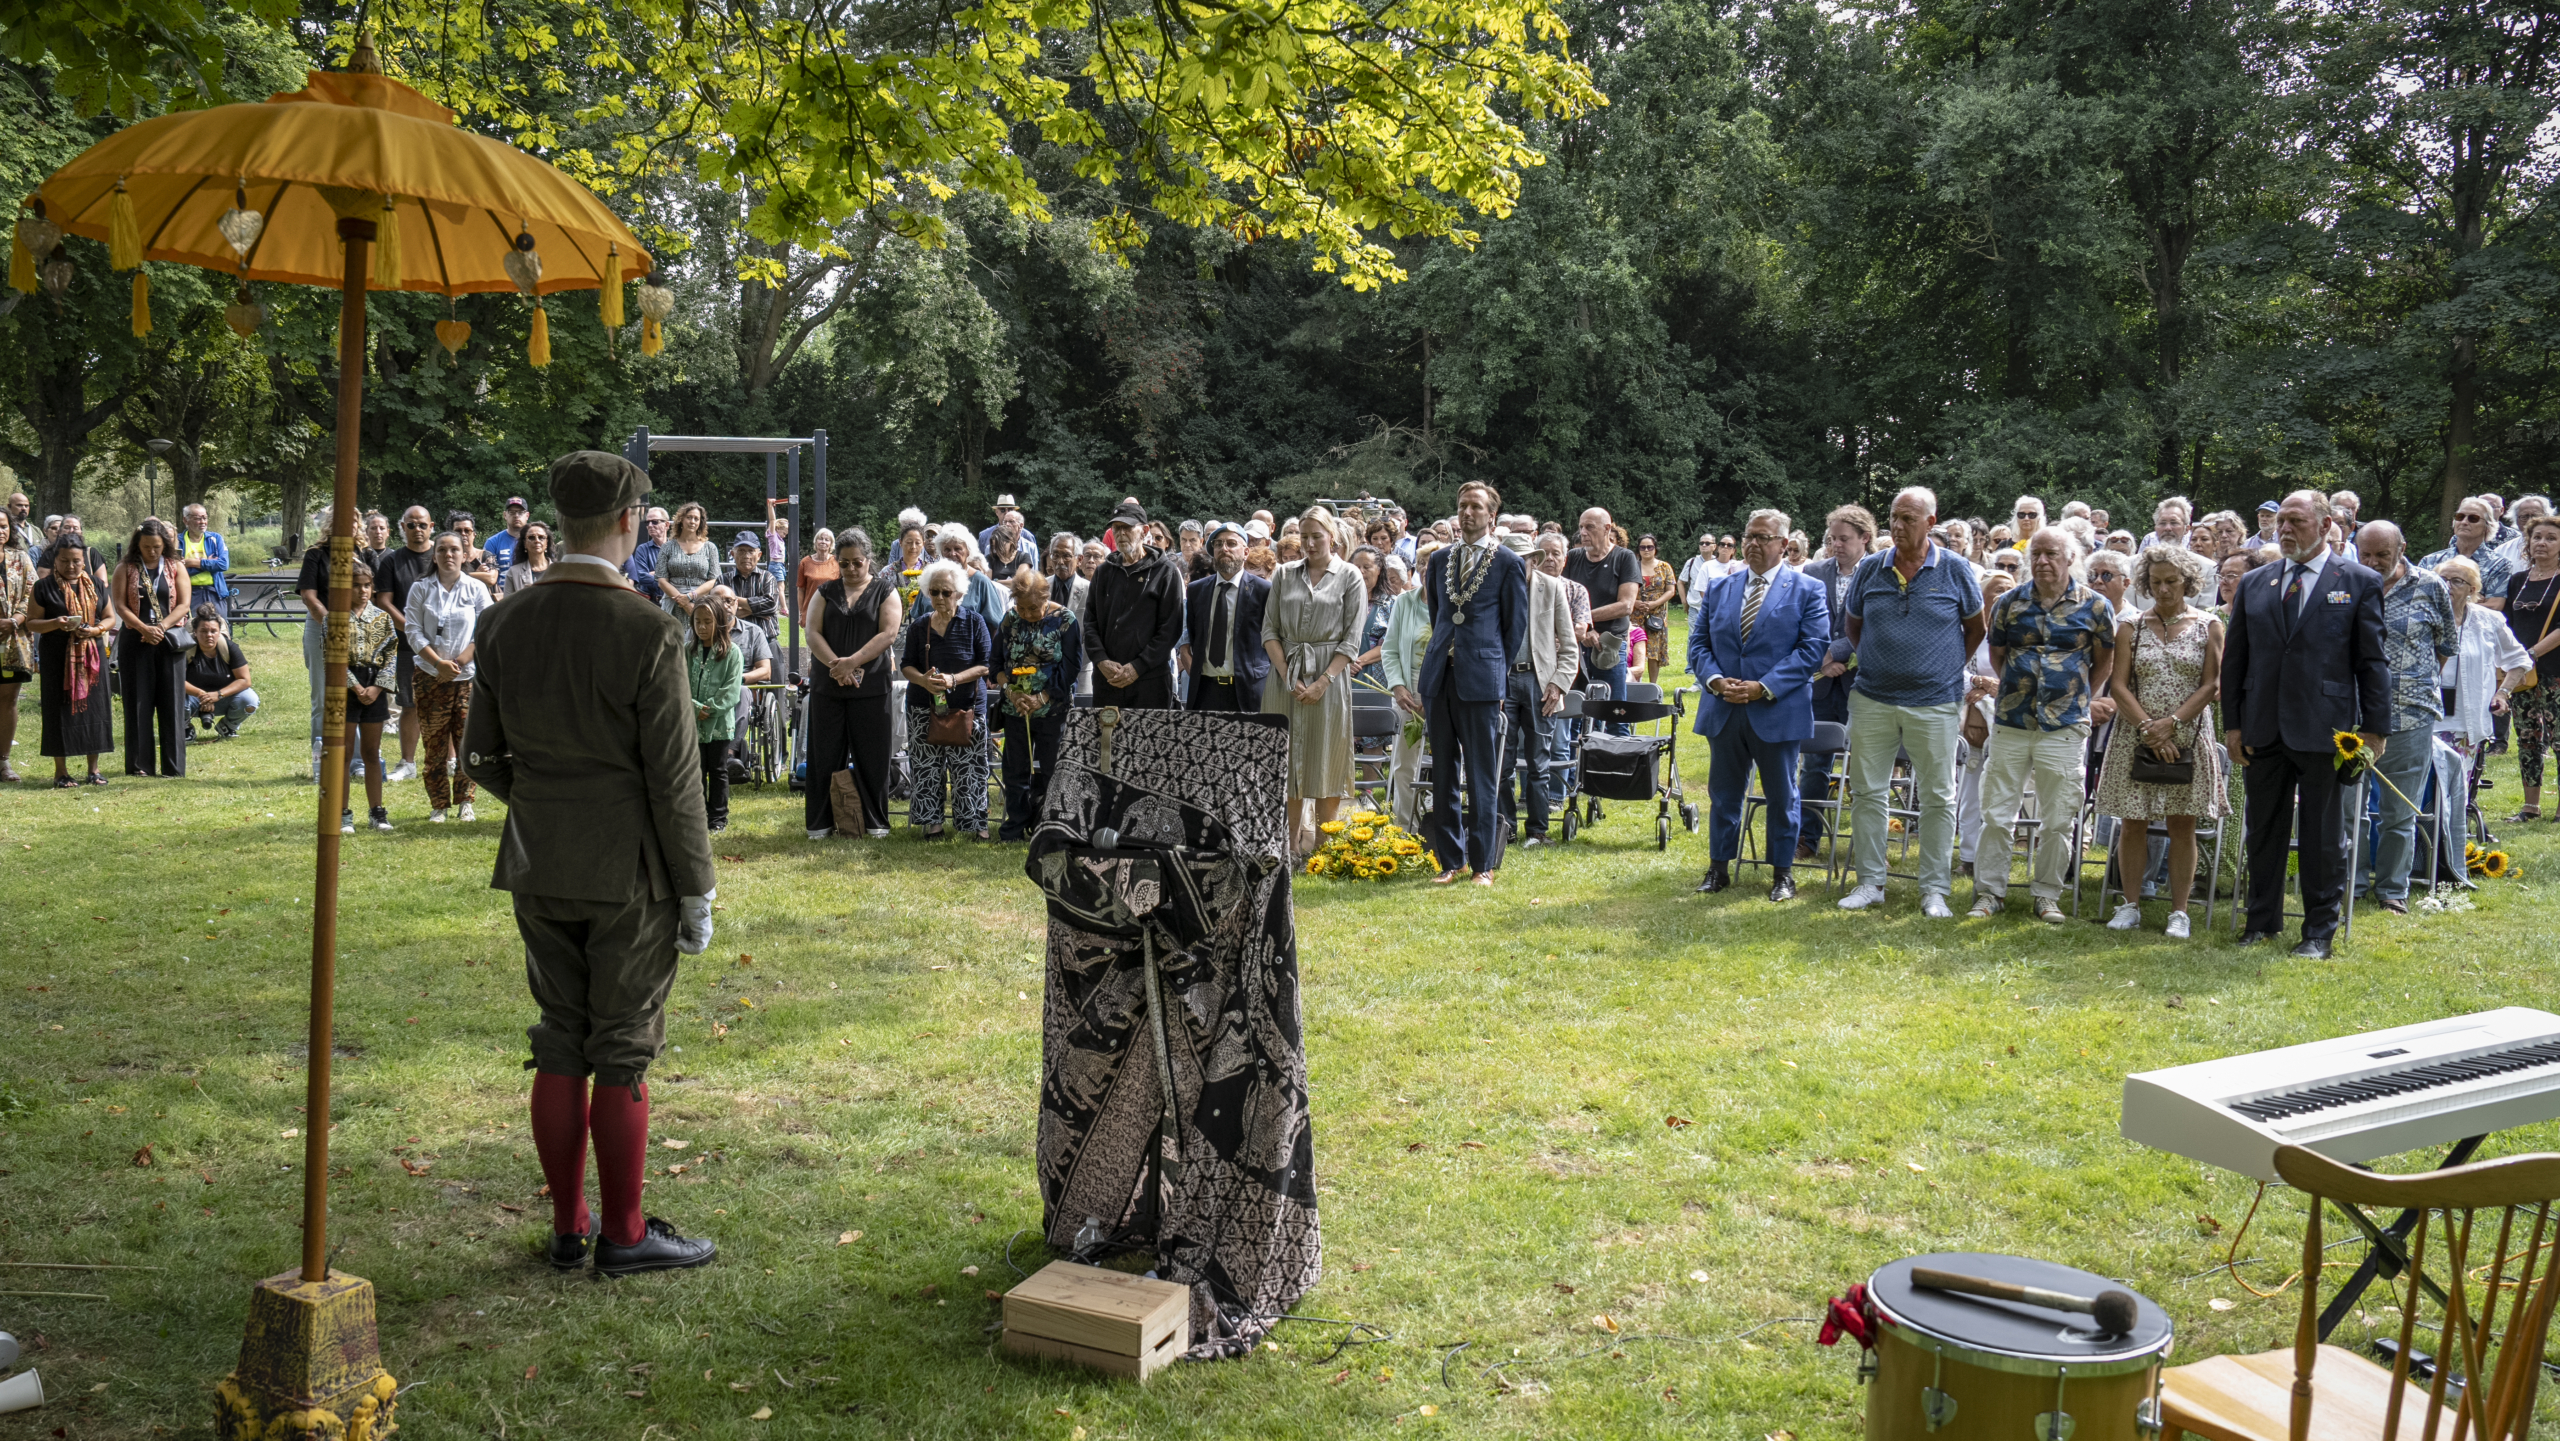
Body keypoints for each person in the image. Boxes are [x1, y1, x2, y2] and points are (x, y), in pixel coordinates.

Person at [463, 449, 720, 1277]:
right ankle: (626, 1231)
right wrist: (697, 887)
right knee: (622, 1044)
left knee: (560, 1037)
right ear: (624, 523)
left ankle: (570, 1224)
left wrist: (543, 802)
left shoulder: (502, 621)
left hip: (538, 860)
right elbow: (676, 779)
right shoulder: (647, 628)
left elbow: (481, 759)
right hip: (630, 871)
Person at [2222, 489, 2389, 958]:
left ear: (2326, 525)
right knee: (2263, 829)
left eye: (2296, 520)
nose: (2285, 529)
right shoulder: (2257, 583)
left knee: (2322, 836)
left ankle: (2318, 932)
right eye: (2282, 522)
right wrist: (2233, 724)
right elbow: (2236, 660)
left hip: (2325, 727)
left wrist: (2375, 729)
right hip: (2263, 725)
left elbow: (2372, 661)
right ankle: (2261, 921)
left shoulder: (2357, 581)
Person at [1838, 487, 1986, 917]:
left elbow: (1975, 629)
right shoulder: (1870, 569)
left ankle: (1935, 890)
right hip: (1873, 698)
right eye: (1893, 518)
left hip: (1936, 701)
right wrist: (1879, 661)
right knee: (1867, 792)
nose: (1898, 526)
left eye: (1908, 518)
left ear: (1931, 523)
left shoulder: (1956, 570)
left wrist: (1942, 666)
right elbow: (1854, 624)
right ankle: (1870, 883)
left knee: (1939, 796)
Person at [1967, 529, 2116, 923]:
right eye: (2037, 554)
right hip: (2012, 722)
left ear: (2071, 559)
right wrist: (2023, 688)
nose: (2043, 561)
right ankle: (1989, 892)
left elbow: (2103, 662)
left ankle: (2048, 893)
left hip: (2065, 726)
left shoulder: (2096, 607)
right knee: (1997, 813)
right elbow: (1998, 655)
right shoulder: (2008, 603)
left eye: (2052, 554)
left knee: (2059, 818)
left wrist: (2074, 694)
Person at [1692, 509, 1831, 902]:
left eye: (1763, 538)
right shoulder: (1721, 587)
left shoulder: (1807, 590)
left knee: (1782, 796)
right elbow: (1699, 644)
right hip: (1724, 708)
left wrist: (1763, 687)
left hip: (1776, 709)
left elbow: (1811, 651)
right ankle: (1718, 869)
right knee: (1723, 793)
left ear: (1784, 545)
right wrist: (1716, 681)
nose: (1753, 543)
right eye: (1749, 536)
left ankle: (1783, 874)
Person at [2092, 544, 2227, 936]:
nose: (2164, 589)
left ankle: (2179, 912)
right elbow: (2118, 685)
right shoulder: (2130, 627)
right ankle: (2129, 904)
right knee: (2132, 823)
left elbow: (2212, 684)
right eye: (2155, 582)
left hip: (2188, 735)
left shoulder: (2209, 624)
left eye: (2171, 581)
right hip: (2137, 734)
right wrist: (2149, 729)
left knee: (2181, 825)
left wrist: (2172, 724)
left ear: (2187, 581)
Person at [1419, 482, 1530, 885]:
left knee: (1482, 772)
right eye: (1462, 506)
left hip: (1481, 678)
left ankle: (1483, 863)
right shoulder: (1439, 559)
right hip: (1440, 675)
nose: (1467, 513)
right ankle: (1452, 861)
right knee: (1444, 771)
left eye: (1476, 507)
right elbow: (1438, 616)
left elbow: (1513, 629)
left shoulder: (1508, 563)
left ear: (1491, 516)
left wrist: (1492, 670)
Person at [2356, 522, 2457, 913]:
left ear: (2402, 549)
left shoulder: (2430, 585)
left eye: (2382, 554)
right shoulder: (2346, 582)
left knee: (2400, 809)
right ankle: (2352, 880)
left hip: (2411, 714)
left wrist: (2411, 681)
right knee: (2352, 807)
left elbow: (2446, 646)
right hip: (2353, 715)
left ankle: (2392, 889)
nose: (2373, 561)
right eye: (2366, 553)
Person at [1261, 504, 1370, 857]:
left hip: (1330, 678)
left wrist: (1323, 681)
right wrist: (1285, 674)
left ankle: (1324, 847)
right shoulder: (1283, 574)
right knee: (1287, 759)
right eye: (1304, 537)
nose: (1309, 544)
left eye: (1316, 536)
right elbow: (1270, 630)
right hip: (1285, 677)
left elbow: (1352, 639)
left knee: (1328, 756)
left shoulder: (1350, 576)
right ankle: (1289, 845)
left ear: (1332, 538)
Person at [803, 529, 901, 840]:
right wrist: (837, 665)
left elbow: (888, 634)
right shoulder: (824, 592)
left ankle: (875, 823)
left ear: (869, 560)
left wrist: (852, 662)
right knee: (824, 755)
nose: (850, 569)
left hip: (871, 686)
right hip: (828, 686)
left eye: (857, 563)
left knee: (872, 756)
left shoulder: (886, 591)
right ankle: (820, 824)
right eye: (843, 564)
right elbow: (812, 633)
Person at [2434, 556, 2531, 855]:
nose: (2448, 586)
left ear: (2473, 589)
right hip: (2427, 719)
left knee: (2453, 793)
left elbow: (2519, 661)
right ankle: (2421, 854)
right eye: (2442, 580)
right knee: (2424, 791)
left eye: (2456, 581)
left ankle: (2449, 857)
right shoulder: (2425, 616)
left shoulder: (2488, 621)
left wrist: (2502, 693)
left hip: (2467, 721)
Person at [1795, 504, 1874, 863]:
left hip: (1865, 684)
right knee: (1814, 764)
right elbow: (1800, 624)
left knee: (1868, 768)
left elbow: (1874, 625)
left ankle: (1867, 846)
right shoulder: (1812, 572)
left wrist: (1836, 652)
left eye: (1844, 539)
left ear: (1865, 539)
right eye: (1832, 538)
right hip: (1821, 685)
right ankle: (1807, 838)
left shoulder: (1878, 574)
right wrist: (1822, 660)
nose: (1836, 545)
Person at [903, 559, 996, 840]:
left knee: (970, 768)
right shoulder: (919, 626)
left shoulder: (974, 622)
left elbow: (986, 664)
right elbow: (906, 665)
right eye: (934, 592)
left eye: (946, 592)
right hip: (923, 706)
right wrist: (923, 681)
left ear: (959, 593)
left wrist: (953, 680)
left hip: (967, 706)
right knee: (927, 767)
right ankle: (933, 825)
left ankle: (974, 824)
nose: (940, 598)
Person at [406, 532, 495, 823]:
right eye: (442, 549)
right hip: (430, 676)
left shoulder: (475, 589)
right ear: (434, 555)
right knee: (434, 744)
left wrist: (458, 662)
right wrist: (438, 663)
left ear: (463, 554)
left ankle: (465, 801)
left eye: (454, 549)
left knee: (467, 741)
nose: (448, 555)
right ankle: (439, 804)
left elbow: (485, 628)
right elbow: (413, 630)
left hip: (467, 678)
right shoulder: (421, 589)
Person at [993, 561, 1083, 840]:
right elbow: (995, 663)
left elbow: (1070, 668)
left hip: (1053, 708)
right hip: (1015, 708)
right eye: (1022, 608)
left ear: (1046, 598)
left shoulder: (1065, 620)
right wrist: (1012, 693)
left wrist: (1041, 697)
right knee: (1015, 769)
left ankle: (1052, 826)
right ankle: (1015, 826)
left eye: (1033, 608)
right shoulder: (1010, 619)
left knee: (1053, 769)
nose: (1028, 614)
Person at [26, 539, 118, 785]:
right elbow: (32, 622)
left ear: (84, 561)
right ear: (55, 560)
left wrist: (97, 629)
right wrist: (56, 623)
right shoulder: (43, 587)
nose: (71, 566)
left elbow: (110, 617)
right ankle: (61, 772)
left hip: (92, 658)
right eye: (64, 561)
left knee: (95, 710)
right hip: (57, 657)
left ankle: (94, 770)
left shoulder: (96, 584)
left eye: (76, 561)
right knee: (59, 711)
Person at [1083, 501, 1185, 709]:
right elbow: (1090, 622)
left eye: (1127, 528)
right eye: (1116, 528)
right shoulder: (1103, 572)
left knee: (1148, 741)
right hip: (1107, 680)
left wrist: (1138, 666)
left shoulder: (1166, 572)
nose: (1120, 533)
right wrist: (1101, 660)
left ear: (1144, 531)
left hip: (1150, 681)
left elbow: (1170, 629)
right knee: (1107, 741)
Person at [110, 518, 192, 777]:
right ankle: (139, 765)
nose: (152, 551)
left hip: (169, 640)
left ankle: (173, 766)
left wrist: (161, 628)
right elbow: (120, 605)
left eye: (157, 546)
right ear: (138, 544)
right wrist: (144, 628)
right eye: (147, 547)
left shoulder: (175, 566)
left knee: (172, 702)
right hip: (136, 639)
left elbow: (183, 604)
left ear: (164, 544)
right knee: (138, 702)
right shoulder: (125, 567)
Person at [2499, 514, 2560, 823]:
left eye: (2550, 537)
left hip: (2554, 671)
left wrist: (2530, 654)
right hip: (2521, 673)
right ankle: (2530, 806)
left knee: (2559, 738)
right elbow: (2506, 623)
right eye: (2537, 537)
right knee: (2526, 736)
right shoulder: (2517, 581)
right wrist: (2513, 660)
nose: (2542, 543)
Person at [374, 505, 440, 780]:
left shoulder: (443, 555)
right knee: (409, 703)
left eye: (422, 524)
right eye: (411, 525)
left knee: (445, 703)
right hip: (406, 645)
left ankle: (449, 760)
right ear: (402, 527)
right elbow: (384, 602)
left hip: (443, 644)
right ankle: (408, 763)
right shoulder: (392, 561)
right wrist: (413, 631)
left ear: (431, 525)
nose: (417, 530)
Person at [1182, 521, 1271, 712]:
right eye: (1218, 544)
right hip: (1205, 691)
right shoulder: (1197, 590)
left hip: (1249, 691)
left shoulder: (1264, 591)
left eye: (1231, 543)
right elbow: (1195, 636)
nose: (1224, 548)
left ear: (1246, 552)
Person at [1565, 507, 1640, 722]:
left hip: (1609, 645)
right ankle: (1576, 756)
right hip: (1577, 643)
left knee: (1614, 713)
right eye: (1581, 527)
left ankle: (1618, 754)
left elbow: (1625, 605)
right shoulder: (1573, 557)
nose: (1583, 533)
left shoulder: (1624, 558)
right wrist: (1584, 628)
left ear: (1608, 528)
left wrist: (1585, 620)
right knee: (1574, 714)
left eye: (1589, 527)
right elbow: (1562, 600)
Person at [341, 557, 399, 834]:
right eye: (356, 586)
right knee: (344, 753)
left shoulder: (383, 618)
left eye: (367, 586)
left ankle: (377, 811)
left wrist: (376, 687)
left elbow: (391, 655)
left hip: (375, 683)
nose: (362, 591)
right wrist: (354, 686)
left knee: (371, 753)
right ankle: (342, 813)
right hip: (346, 687)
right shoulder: (335, 618)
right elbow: (333, 658)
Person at [684, 595, 745, 833]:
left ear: (719, 621)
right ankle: (697, 816)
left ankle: (718, 818)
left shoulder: (732, 653)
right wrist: (693, 707)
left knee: (718, 771)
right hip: (691, 724)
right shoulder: (687, 651)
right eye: (697, 621)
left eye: (707, 621)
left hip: (719, 725)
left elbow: (731, 691)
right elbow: (677, 683)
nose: (701, 627)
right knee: (694, 771)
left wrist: (708, 709)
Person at [2419, 497, 2512, 613]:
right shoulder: (2429, 561)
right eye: (2460, 517)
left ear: (2487, 526)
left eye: (2473, 518)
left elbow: (2495, 606)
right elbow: (2417, 600)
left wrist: (2440, 602)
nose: (2464, 522)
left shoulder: (2500, 564)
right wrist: (2471, 600)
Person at [181, 606, 258, 740]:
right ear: (195, 632)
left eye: (213, 631)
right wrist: (202, 694)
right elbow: (176, 680)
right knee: (171, 697)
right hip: (193, 699)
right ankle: (185, 728)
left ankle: (228, 726)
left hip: (222, 698)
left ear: (219, 632)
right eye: (203, 631)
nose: (209, 635)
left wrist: (218, 695)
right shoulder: (185, 650)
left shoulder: (229, 647)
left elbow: (245, 680)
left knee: (250, 700)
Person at [655, 502, 721, 619]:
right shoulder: (667, 547)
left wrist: (690, 596)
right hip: (673, 602)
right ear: (681, 519)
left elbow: (713, 580)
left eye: (696, 519)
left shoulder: (710, 548)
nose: (692, 521)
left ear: (701, 522)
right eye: (689, 517)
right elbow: (662, 580)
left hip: (702, 603)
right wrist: (684, 602)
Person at [1631, 534, 1678, 688]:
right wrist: (1636, 603)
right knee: (1635, 650)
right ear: (1638, 550)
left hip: (1656, 615)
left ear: (1655, 549)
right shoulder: (1632, 566)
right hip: (1634, 614)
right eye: (1642, 547)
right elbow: (1622, 588)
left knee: (1654, 651)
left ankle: (1653, 687)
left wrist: (1654, 604)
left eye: (1649, 547)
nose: (1646, 550)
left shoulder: (1665, 567)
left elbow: (1671, 591)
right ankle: (1635, 684)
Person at [722, 532, 781, 640]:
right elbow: (719, 611)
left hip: (766, 639)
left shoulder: (767, 577)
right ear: (732, 554)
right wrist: (758, 610)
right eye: (741, 551)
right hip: (732, 640)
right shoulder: (723, 580)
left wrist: (733, 600)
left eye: (751, 551)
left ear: (759, 555)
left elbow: (771, 605)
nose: (746, 556)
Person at [178, 503, 231, 617]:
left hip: (214, 592)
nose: (203, 522)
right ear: (185, 520)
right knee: (191, 630)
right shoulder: (177, 542)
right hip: (189, 594)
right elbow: (176, 571)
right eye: (198, 518)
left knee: (221, 629)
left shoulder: (215, 539)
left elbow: (223, 564)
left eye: (205, 518)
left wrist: (192, 563)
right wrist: (209, 564)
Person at [448, 510, 502, 594]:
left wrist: (458, 577)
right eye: (458, 531)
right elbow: (448, 580)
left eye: (467, 530)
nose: (463, 534)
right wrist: (478, 574)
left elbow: (491, 579)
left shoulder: (485, 556)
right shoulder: (449, 557)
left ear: (474, 534)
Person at [625, 504, 669, 604]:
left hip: (673, 602)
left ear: (666, 525)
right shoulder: (642, 549)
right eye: (647, 522)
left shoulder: (677, 548)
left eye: (654, 522)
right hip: (651, 603)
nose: (650, 525)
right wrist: (668, 577)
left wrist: (654, 574)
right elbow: (642, 577)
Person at [503, 520, 556, 597]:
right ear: (524, 543)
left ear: (547, 543)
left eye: (541, 537)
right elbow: (507, 605)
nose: (537, 540)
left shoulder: (559, 571)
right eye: (531, 537)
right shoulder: (513, 573)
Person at [796, 526, 839, 617]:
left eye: (827, 540)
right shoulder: (805, 562)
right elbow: (801, 589)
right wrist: (801, 612)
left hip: (833, 610)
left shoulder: (837, 561)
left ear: (831, 544)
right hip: (811, 610)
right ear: (815, 542)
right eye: (820, 539)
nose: (823, 541)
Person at [484, 495, 532, 572]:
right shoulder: (492, 542)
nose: (516, 515)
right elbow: (488, 574)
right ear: (505, 515)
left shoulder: (536, 540)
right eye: (512, 512)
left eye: (520, 512)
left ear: (527, 515)